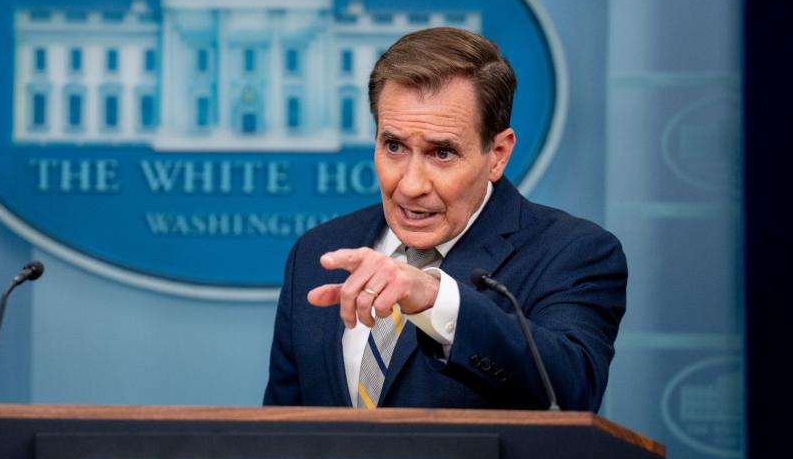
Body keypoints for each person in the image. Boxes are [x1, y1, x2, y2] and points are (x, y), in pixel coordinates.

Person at [263, 27, 626, 411]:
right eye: (394, 146)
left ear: (498, 154)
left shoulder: (572, 252)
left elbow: (572, 390)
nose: (411, 184)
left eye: (441, 153)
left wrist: (435, 300)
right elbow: (279, 438)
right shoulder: (318, 252)